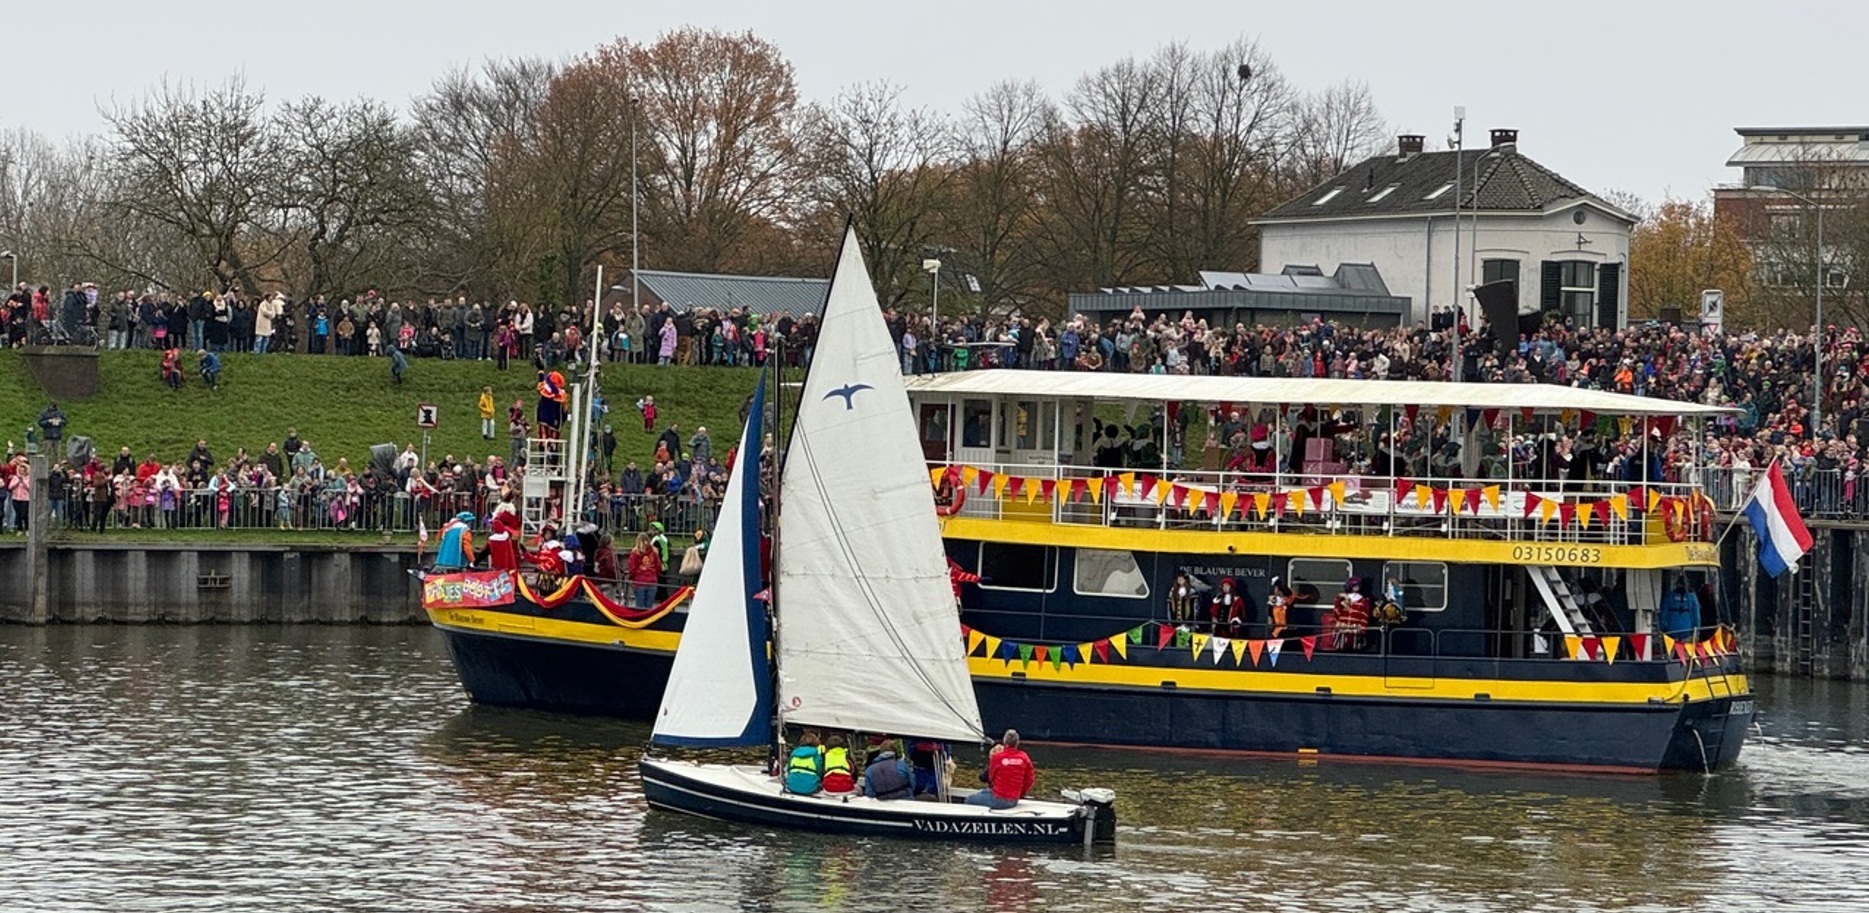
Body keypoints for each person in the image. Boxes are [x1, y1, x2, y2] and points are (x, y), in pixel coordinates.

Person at [965, 729, 1035, 810]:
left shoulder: (997, 757)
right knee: (984, 792)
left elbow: (991, 779)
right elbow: (1030, 779)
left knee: (969, 799)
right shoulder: (1024, 757)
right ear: (1017, 743)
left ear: (1004, 742)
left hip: (999, 799)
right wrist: (1020, 794)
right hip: (1014, 799)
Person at [1658, 577, 1702, 642]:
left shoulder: (1669, 596)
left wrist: (1662, 629)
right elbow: (1696, 617)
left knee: (1669, 651)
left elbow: (1663, 615)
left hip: (1671, 632)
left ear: (1678, 584)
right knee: (1685, 651)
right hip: (1687, 631)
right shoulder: (1692, 597)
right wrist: (1696, 632)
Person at [626, 532, 662, 609]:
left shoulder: (635, 553)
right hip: (652, 581)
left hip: (639, 581)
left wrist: (631, 578)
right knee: (649, 607)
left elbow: (632, 568)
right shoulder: (654, 552)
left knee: (639, 606)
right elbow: (658, 566)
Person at [784, 730, 825, 795]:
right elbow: (819, 771)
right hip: (811, 788)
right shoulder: (816, 754)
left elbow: (789, 769)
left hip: (791, 786)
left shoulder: (794, 753)